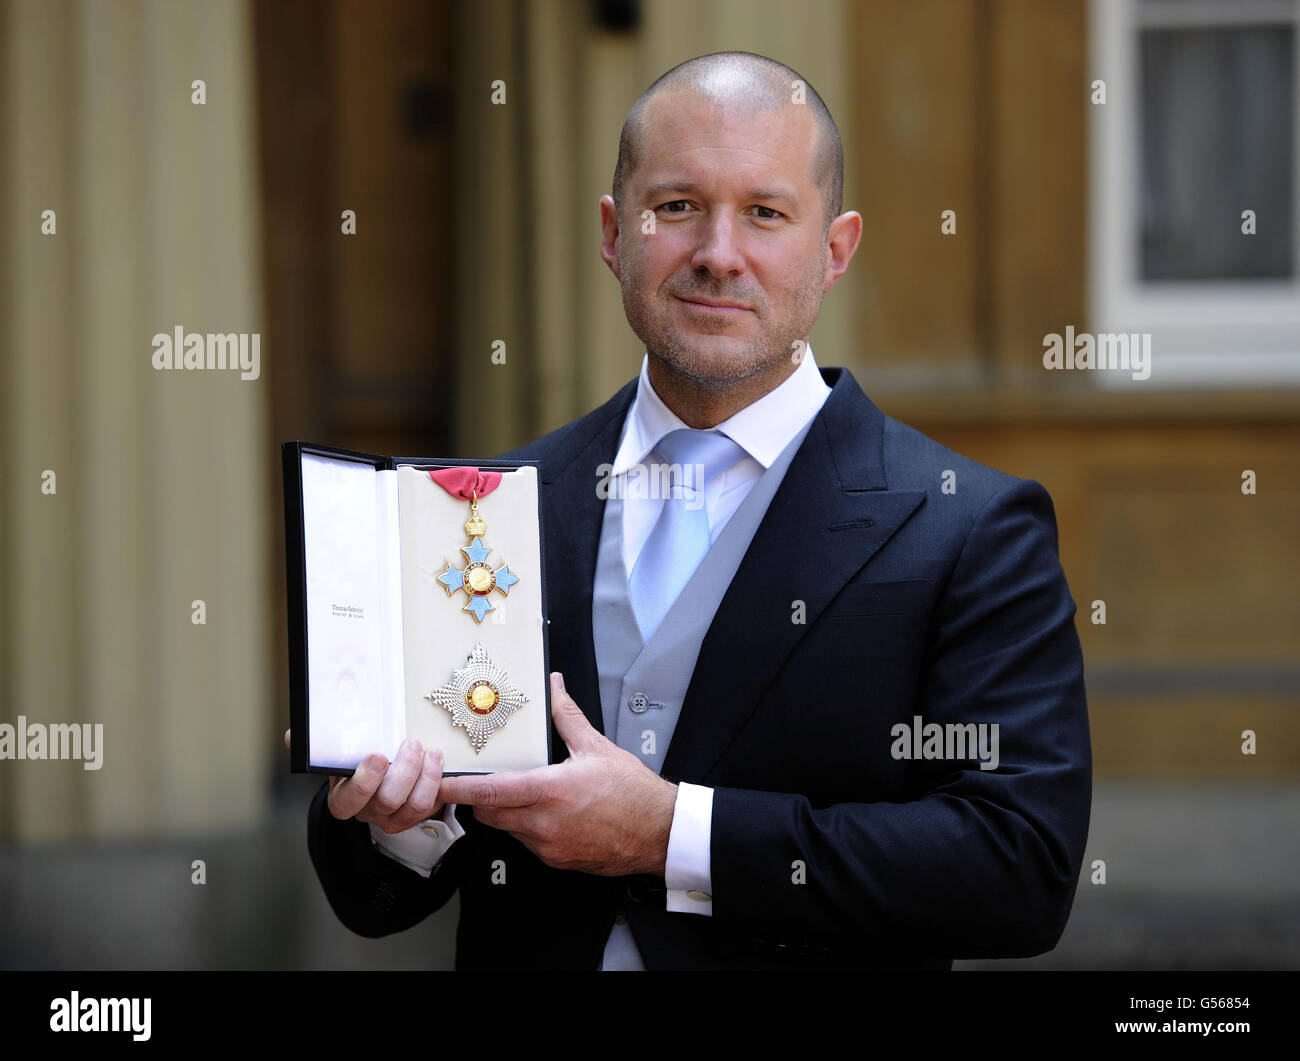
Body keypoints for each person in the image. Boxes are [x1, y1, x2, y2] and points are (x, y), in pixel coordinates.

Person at [300, 51, 1091, 970]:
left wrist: (674, 834)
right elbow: (374, 898)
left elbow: (1019, 870)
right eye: (677, 207)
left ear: (834, 250)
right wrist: (403, 818)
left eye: (765, 212)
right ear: (612, 233)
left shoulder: (968, 529)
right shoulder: (490, 504)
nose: (719, 253)